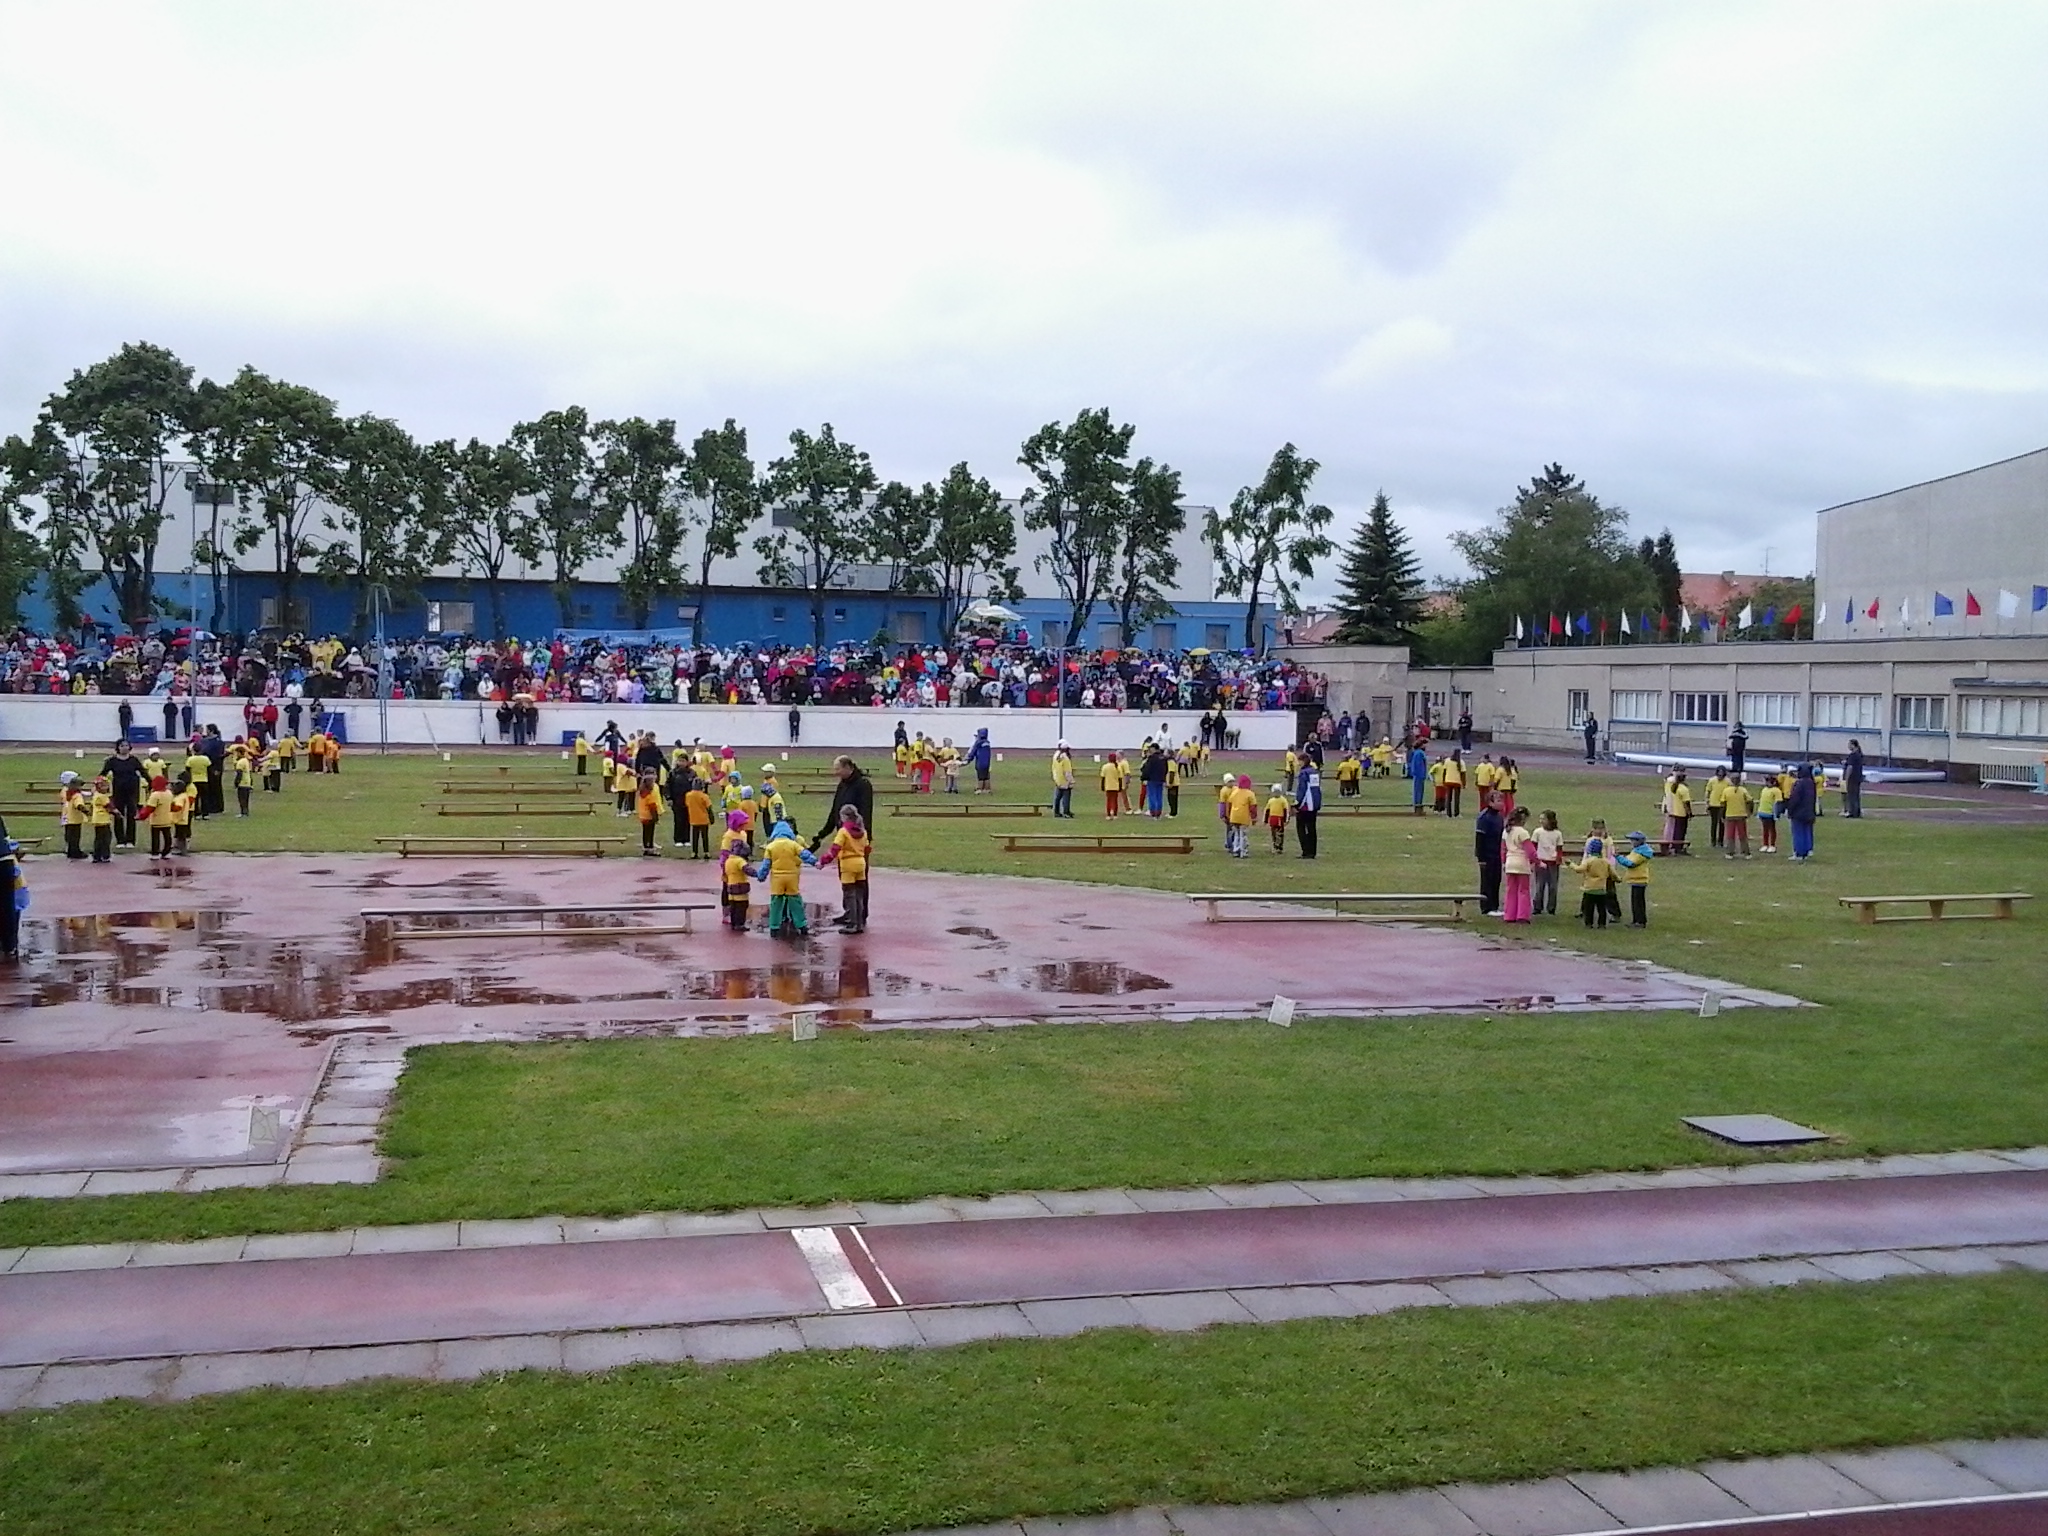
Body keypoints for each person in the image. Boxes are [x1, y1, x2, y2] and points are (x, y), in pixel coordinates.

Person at [752, 819, 818, 938]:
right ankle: (802, 925)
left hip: (777, 879)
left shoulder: (771, 847)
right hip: (792, 877)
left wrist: (761, 876)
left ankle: (774, 927)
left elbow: (766, 864)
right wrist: (815, 862)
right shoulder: (793, 844)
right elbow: (805, 854)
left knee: (776, 903)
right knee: (795, 901)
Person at [811, 758, 875, 870]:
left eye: (838, 769)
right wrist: (823, 833)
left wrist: (865, 835)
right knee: (845, 872)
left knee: (859, 873)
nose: (836, 772)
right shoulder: (842, 785)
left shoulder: (863, 785)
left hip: (858, 837)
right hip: (844, 835)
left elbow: (866, 812)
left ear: (847, 767)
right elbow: (835, 811)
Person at [817, 806, 870, 935]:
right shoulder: (863, 831)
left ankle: (851, 923)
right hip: (860, 863)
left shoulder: (843, 832)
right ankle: (859, 922)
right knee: (859, 895)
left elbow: (835, 849)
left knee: (849, 894)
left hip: (848, 864)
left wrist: (822, 861)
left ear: (845, 816)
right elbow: (867, 848)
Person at [101, 740, 145, 848]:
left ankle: (130, 840)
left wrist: (153, 784)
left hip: (132, 791)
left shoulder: (134, 760)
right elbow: (103, 774)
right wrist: (99, 785)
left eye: (127, 745)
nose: (125, 748)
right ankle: (120, 840)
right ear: (118, 747)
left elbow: (144, 772)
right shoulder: (112, 761)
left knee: (131, 815)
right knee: (118, 814)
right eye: (122, 746)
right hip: (118, 790)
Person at [1614, 831, 1655, 928]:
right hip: (1636, 880)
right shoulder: (1637, 851)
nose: (1631, 842)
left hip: (1639, 880)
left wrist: (1618, 857)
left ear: (1638, 841)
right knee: (1636, 902)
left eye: (1632, 840)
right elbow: (1628, 859)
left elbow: (1630, 863)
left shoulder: (1640, 854)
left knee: (1638, 903)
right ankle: (1637, 920)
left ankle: (1640, 921)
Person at [1501, 807, 1535, 924]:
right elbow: (1530, 851)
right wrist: (1537, 862)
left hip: (1510, 862)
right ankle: (1522, 915)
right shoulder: (1523, 832)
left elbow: (1503, 849)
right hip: (1521, 862)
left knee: (1511, 890)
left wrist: (1504, 862)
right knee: (1523, 890)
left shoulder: (1506, 831)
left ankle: (1509, 915)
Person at [1474, 794, 1504, 915]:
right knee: (1487, 881)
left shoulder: (1499, 817)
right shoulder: (1484, 817)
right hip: (1487, 855)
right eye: (1498, 800)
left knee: (1496, 880)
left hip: (1497, 854)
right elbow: (1479, 838)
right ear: (1491, 803)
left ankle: (1494, 906)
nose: (1501, 803)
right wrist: (1481, 857)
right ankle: (1486, 907)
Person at [1531, 809, 1564, 917]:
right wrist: (1534, 860)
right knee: (1539, 885)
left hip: (1552, 862)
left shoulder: (1557, 833)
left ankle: (1551, 907)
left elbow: (1559, 848)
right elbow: (1533, 846)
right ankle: (1537, 907)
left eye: (1543, 819)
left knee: (1553, 886)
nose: (1541, 821)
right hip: (1541, 861)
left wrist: (1558, 859)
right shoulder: (1537, 832)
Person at [1576, 835, 1612, 928]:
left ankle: (1589, 923)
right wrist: (1618, 879)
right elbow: (1612, 873)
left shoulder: (1588, 861)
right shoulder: (1606, 861)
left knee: (1589, 908)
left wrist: (1571, 864)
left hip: (1590, 888)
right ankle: (1602, 924)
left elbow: (1579, 869)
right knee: (1601, 908)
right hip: (1601, 888)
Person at [1787, 763, 1819, 860]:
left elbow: (1794, 798)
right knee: (1807, 831)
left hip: (1798, 812)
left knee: (1798, 832)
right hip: (1809, 811)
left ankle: (1799, 853)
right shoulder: (1811, 783)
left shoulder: (1799, 783)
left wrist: (1790, 810)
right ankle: (1808, 850)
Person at [721, 837, 753, 931]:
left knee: (733, 907)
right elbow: (748, 870)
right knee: (741, 906)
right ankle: (740, 924)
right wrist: (758, 874)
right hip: (740, 888)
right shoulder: (740, 861)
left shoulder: (728, 860)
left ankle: (734, 923)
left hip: (731, 888)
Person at [1294, 757, 1321, 859]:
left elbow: (1302, 789)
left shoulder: (1303, 773)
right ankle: (1312, 851)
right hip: (1314, 803)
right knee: (1312, 828)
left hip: (1306, 805)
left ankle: (1305, 851)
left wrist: (1297, 803)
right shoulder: (1314, 772)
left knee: (1301, 828)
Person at [1225, 774, 1257, 858]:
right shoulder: (1250, 794)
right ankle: (1243, 852)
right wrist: (1254, 818)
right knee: (1243, 834)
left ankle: (1236, 850)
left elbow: (1229, 804)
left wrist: (1228, 815)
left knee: (1236, 834)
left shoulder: (1234, 792)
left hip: (1234, 817)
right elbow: (1253, 807)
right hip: (1243, 817)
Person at [634, 771, 666, 856]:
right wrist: (656, 818)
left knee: (645, 832)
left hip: (643, 815)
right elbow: (652, 807)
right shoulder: (650, 794)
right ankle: (650, 848)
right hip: (649, 816)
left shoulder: (642, 792)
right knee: (650, 833)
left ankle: (646, 847)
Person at [1722, 773, 1753, 858]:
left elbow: (1723, 804)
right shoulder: (1743, 790)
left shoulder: (1726, 790)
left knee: (1731, 835)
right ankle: (1746, 852)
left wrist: (1722, 815)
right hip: (1740, 815)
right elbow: (1750, 801)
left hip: (1731, 815)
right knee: (1742, 835)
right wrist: (1749, 811)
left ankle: (1730, 852)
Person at [144, 775, 175, 860]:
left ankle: (155, 853)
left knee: (155, 837)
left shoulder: (155, 795)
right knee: (167, 836)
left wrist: (142, 816)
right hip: (167, 818)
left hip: (156, 819)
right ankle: (167, 852)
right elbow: (172, 805)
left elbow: (150, 808)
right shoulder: (169, 793)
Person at [1662, 770, 1693, 854]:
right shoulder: (1684, 789)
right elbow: (1686, 802)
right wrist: (1689, 813)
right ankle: (1678, 847)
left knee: (1676, 831)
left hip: (1675, 811)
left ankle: (1674, 846)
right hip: (1682, 812)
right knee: (1681, 831)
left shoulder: (1674, 787)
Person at [58, 772, 86, 860]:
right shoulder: (76, 795)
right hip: (73, 817)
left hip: (67, 816)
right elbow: (78, 804)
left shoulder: (67, 791)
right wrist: (86, 811)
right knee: (75, 836)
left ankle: (71, 850)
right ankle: (75, 851)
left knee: (70, 835)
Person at [87, 775, 115, 863]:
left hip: (97, 819)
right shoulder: (102, 796)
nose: (105, 788)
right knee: (106, 838)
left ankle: (97, 855)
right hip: (103, 819)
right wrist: (116, 813)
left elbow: (91, 806)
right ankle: (105, 855)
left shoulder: (96, 795)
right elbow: (109, 806)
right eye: (103, 786)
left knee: (99, 838)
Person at [1139, 744, 1168, 819]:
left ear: (1154, 749)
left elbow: (1147, 769)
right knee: (1159, 796)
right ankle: (1158, 812)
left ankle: (1153, 811)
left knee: (1152, 795)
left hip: (1152, 779)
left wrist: (1143, 777)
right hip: (1160, 779)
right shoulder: (1163, 758)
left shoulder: (1152, 758)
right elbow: (1166, 769)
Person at [1756, 775, 1782, 853]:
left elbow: (1778, 802)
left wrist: (1777, 813)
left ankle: (1772, 845)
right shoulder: (1764, 789)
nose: (1766, 783)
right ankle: (1765, 844)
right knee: (1765, 829)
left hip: (1771, 813)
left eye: (1768, 781)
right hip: (1763, 812)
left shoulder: (1776, 790)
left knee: (1772, 829)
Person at [1264, 781, 1290, 854]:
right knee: (1273, 833)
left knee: (1280, 833)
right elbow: (1267, 810)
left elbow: (1285, 810)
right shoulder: (1271, 801)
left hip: (1280, 819)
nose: (1276, 794)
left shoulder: (1283, 800)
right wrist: (1265, 820)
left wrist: (1285, 820)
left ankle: (1279, 847)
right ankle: (1275, 846)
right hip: (1273, 819)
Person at [1051, 744, 1075, 819]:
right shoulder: (1065, 759)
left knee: (1057, 797)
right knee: (1066, 797)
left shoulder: (1055, 756)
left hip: (1058, 779)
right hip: (1065, 781)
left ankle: (1056, 812)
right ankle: (1066, 812)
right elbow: (1067, 772)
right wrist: (1071, 781)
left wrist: (1055, 778)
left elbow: (1053, 768)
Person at [1100, 752, 1126, 818]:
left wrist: (1102, 786)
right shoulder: (1117, 767)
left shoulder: (1105, 766)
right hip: (1115, 786)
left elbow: (1103, 778)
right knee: (1115, 801)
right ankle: (1115, 814)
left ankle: (1108, 814)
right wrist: (1120, 787)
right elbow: (1120, 778)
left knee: (1109, 800)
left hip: (1108, 786)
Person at [1844, 739, 1866, 818]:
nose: (1848, 746)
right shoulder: (1859, 755)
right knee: (1856, 795)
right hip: (1857, 777)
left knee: (1852, 795)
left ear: (1853, 745)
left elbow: (1850, 767)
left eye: (1849, 744)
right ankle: (1857, 811)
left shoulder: (1853, 755)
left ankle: (1853, 812)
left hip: (1852, 778)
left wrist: (1846, 778)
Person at [1406, 741, 1428, 815]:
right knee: (1418, 792)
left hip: (1418, 775)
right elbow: (1419, 765)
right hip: (1419, 775)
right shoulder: (1419, 753)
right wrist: (1422, 774)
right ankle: (1417, 808)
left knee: (1418, 791)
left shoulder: (1417, 753)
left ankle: (1418, 808)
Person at [1442, 750, 1465, 818]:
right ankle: (1456, 813)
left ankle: (1448, 814)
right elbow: (1463, 774)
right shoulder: (1461, 762)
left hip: (1448, 781)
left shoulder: (1447, 761)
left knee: (1448, 798)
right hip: (1457, 781)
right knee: (1457, 799)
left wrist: (1443, 780)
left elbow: (1444, 771)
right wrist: (1464, 783)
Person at [969, 728, 993, 795]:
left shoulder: (978, 743)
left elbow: (973, 752)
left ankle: (979, 789)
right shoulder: (987, 743)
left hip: (980, 762)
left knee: (980, 776)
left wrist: (968, 759)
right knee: (986, 776)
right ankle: (987, 789)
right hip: (987, 762)